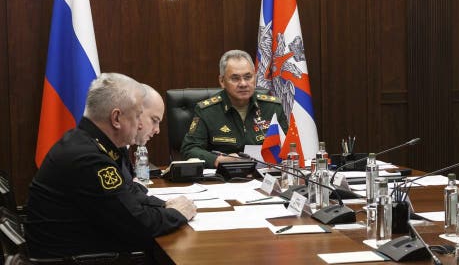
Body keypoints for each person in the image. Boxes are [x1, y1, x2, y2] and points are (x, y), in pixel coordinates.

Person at [25, 73, 197, 258]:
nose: (140, 123)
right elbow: (138, 227)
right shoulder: (89, 159)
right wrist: (176, 213)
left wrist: (164, 206)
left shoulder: (92, 143)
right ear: (116, 118)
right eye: (138, 115)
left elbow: (127, 193)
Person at [180, 50, 288, 168]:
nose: (243, 83)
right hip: (224, 179)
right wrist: (219, 160)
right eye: (235, 78)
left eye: (248, 77)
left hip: (264, 177)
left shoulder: (272, 107)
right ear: (222, 81)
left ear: (255, 78)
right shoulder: (207, 111)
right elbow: (189, 149)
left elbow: (289, 146)